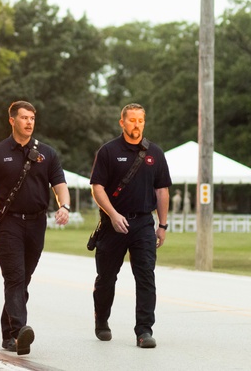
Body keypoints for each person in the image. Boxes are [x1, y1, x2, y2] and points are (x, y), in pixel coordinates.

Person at [0, 100, 70, 357]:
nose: (29, 122)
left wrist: (65, 206)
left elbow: (59, 184)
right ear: (12, 120)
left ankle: (8, 332)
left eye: (32, 118)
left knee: (23, 279)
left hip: (37, 223)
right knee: (14, 277)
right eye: (24, 118)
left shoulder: (47, 153)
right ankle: (20, 332)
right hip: (9, 224)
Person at [88, 103, 171, 349]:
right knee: (106, 278)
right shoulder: (108, 151)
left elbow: (162, 190)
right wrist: (112, 214)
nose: (136, 124)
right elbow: (97, 187)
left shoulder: (154, 153)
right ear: (122, 122)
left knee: (146, 276)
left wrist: (162, 225)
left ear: (144, 122)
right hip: (113, 224)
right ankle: (101, 321)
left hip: (144, 224)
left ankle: (144, 331)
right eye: (132, 120)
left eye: (140, 120)